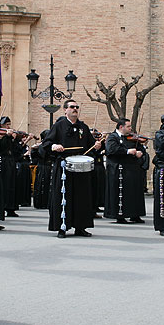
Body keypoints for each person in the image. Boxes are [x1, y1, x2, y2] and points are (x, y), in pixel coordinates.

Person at [39, 99, 102, 238]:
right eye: (72, 107)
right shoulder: (59, 126)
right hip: (64, 166)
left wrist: (97, 146)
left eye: (76, 107)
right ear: (65, 110)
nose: (75, 109)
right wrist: (54, 146)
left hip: (81, 169)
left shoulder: (83, 127)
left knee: (82, 198)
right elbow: (46, 144)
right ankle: (62, 227)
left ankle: (80, 227)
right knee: (63, 198)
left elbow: (90, 148)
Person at [104, 118, 147, 224]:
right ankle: (120, 215)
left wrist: (140, 152)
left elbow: (140, 148)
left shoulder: (132, 138)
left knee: (134, 192)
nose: (130, 129)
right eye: (128, 127)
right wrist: (127, 151)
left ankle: (135, 214)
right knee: (121, 193)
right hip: (119, 169)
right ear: (121, 127)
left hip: (133, 169)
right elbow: (111, 150)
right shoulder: (113, 137)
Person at [0, 116, 19, 217]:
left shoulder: (10, 136)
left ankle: (10, 208)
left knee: (11, 184)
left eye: (9, 124)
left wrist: (14, 139)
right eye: (6, 124)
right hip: (2, 160)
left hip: (10, 160)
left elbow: (16, 150)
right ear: (1, 125)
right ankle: (1, 207)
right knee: (3, 184)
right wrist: (4, 137)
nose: (8, 126)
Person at [31, 130, 52, 209]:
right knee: (41, 184)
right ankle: (41, 202)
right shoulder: (41, 146)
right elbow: (36, 157)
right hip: (43, 167)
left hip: (48, 167)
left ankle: (47, 202)